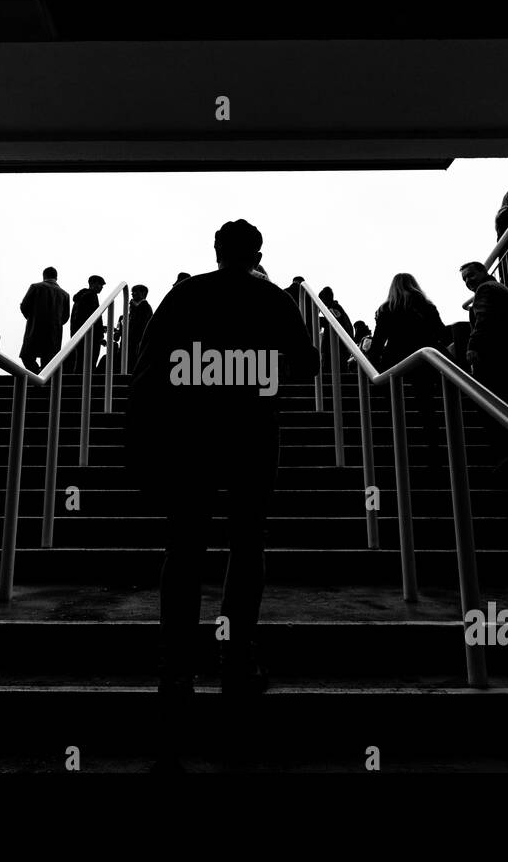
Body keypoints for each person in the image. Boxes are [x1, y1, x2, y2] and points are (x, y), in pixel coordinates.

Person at [126, 219, 319, 721]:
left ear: (215, 250)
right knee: (248, 541)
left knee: (185, 545)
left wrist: (145, 434)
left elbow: (148, 368)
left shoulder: (185, 295)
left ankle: (176, 667)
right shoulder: (272, 298)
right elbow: (307, 363)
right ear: (257, 253)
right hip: (253, 432)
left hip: (190, 434)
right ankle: (235, 652)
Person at [459, 261, 508, 476]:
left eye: (471, 275)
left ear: (484, 272)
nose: (468, 281)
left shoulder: (487, 289)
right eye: (464, 279)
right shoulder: (501, 289)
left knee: (488, 406)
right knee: (505, 403)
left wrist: (472, 346)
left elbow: (484, 319)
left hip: (501, 357)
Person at [366, 274, 451, 453]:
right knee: (427, 404)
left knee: (394, 404)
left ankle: (400, 446)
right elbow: (442, 334)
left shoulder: (387, 309)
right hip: (424, 360)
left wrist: (371, 365)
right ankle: (434, 447)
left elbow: (378, 341)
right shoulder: (427, 306)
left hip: (394, 360)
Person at [19, 267, 70, 373]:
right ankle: (42, 379)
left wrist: (32, 318)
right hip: (54, 333)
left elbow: (24, 306)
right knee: (48, 361)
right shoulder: (65, 295)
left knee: (27, 356)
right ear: (56, 277)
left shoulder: (35, 287)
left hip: (35, 329)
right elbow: (65, 317)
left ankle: (36, 374)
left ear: (44, 276)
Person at [67, 275, 106, 372]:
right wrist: (100, 336)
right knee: (89, 364)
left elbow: (81, 317)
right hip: (90, 336)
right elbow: (94, 318)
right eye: (100, 284)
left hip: (79, 334)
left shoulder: (80, 297)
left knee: (80, 362)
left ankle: (77, 385)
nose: (101, 287)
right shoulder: (91, 295)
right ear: (93, 284)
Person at [317, 286, 354, 376]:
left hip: (335, 346)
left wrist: (316, 319)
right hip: (341, 345)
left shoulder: (333, 309)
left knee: (332, 370)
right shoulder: (337, 308)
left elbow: (331, 322)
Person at [125, 284, 154, 363]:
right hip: (134, 342)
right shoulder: (137, 307)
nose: (132, 294)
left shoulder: (145, 307)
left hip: (137, 342)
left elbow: (139, 325)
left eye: (135, 292)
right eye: (132, 292)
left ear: (143, 293)